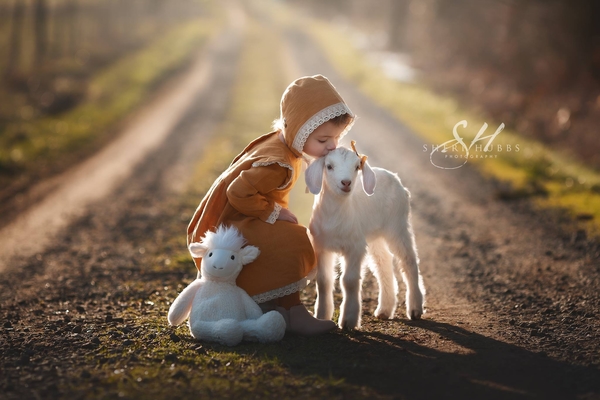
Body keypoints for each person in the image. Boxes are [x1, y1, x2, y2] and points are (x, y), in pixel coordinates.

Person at [187, 75, 354, 335]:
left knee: (286, 234)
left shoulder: (283, 144)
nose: (332, 146)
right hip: (233, 221)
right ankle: (290, 309)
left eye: (336, 138)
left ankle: (280, 305)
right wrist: (272, 212)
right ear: (299, 131)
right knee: (293, 239)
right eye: (323, 140)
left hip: (243, 214)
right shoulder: (278, 163)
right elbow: (237, 192)